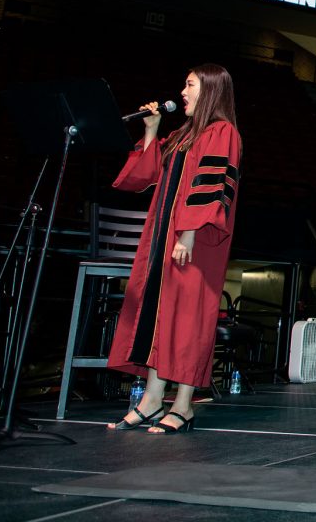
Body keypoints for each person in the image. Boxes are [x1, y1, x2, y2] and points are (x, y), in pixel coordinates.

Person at [105, 64, 242, 435]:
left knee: (187, 320)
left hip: (194, 243)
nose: (182, 91)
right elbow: (144, 176)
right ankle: (151, 399)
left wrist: (189, 233)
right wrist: (151, 130)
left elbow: (212, 185)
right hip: (163, 239)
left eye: (190, 84)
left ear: (210, 89)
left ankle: (183, 406)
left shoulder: (222, 132)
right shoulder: (183, 134)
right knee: (158, 315)